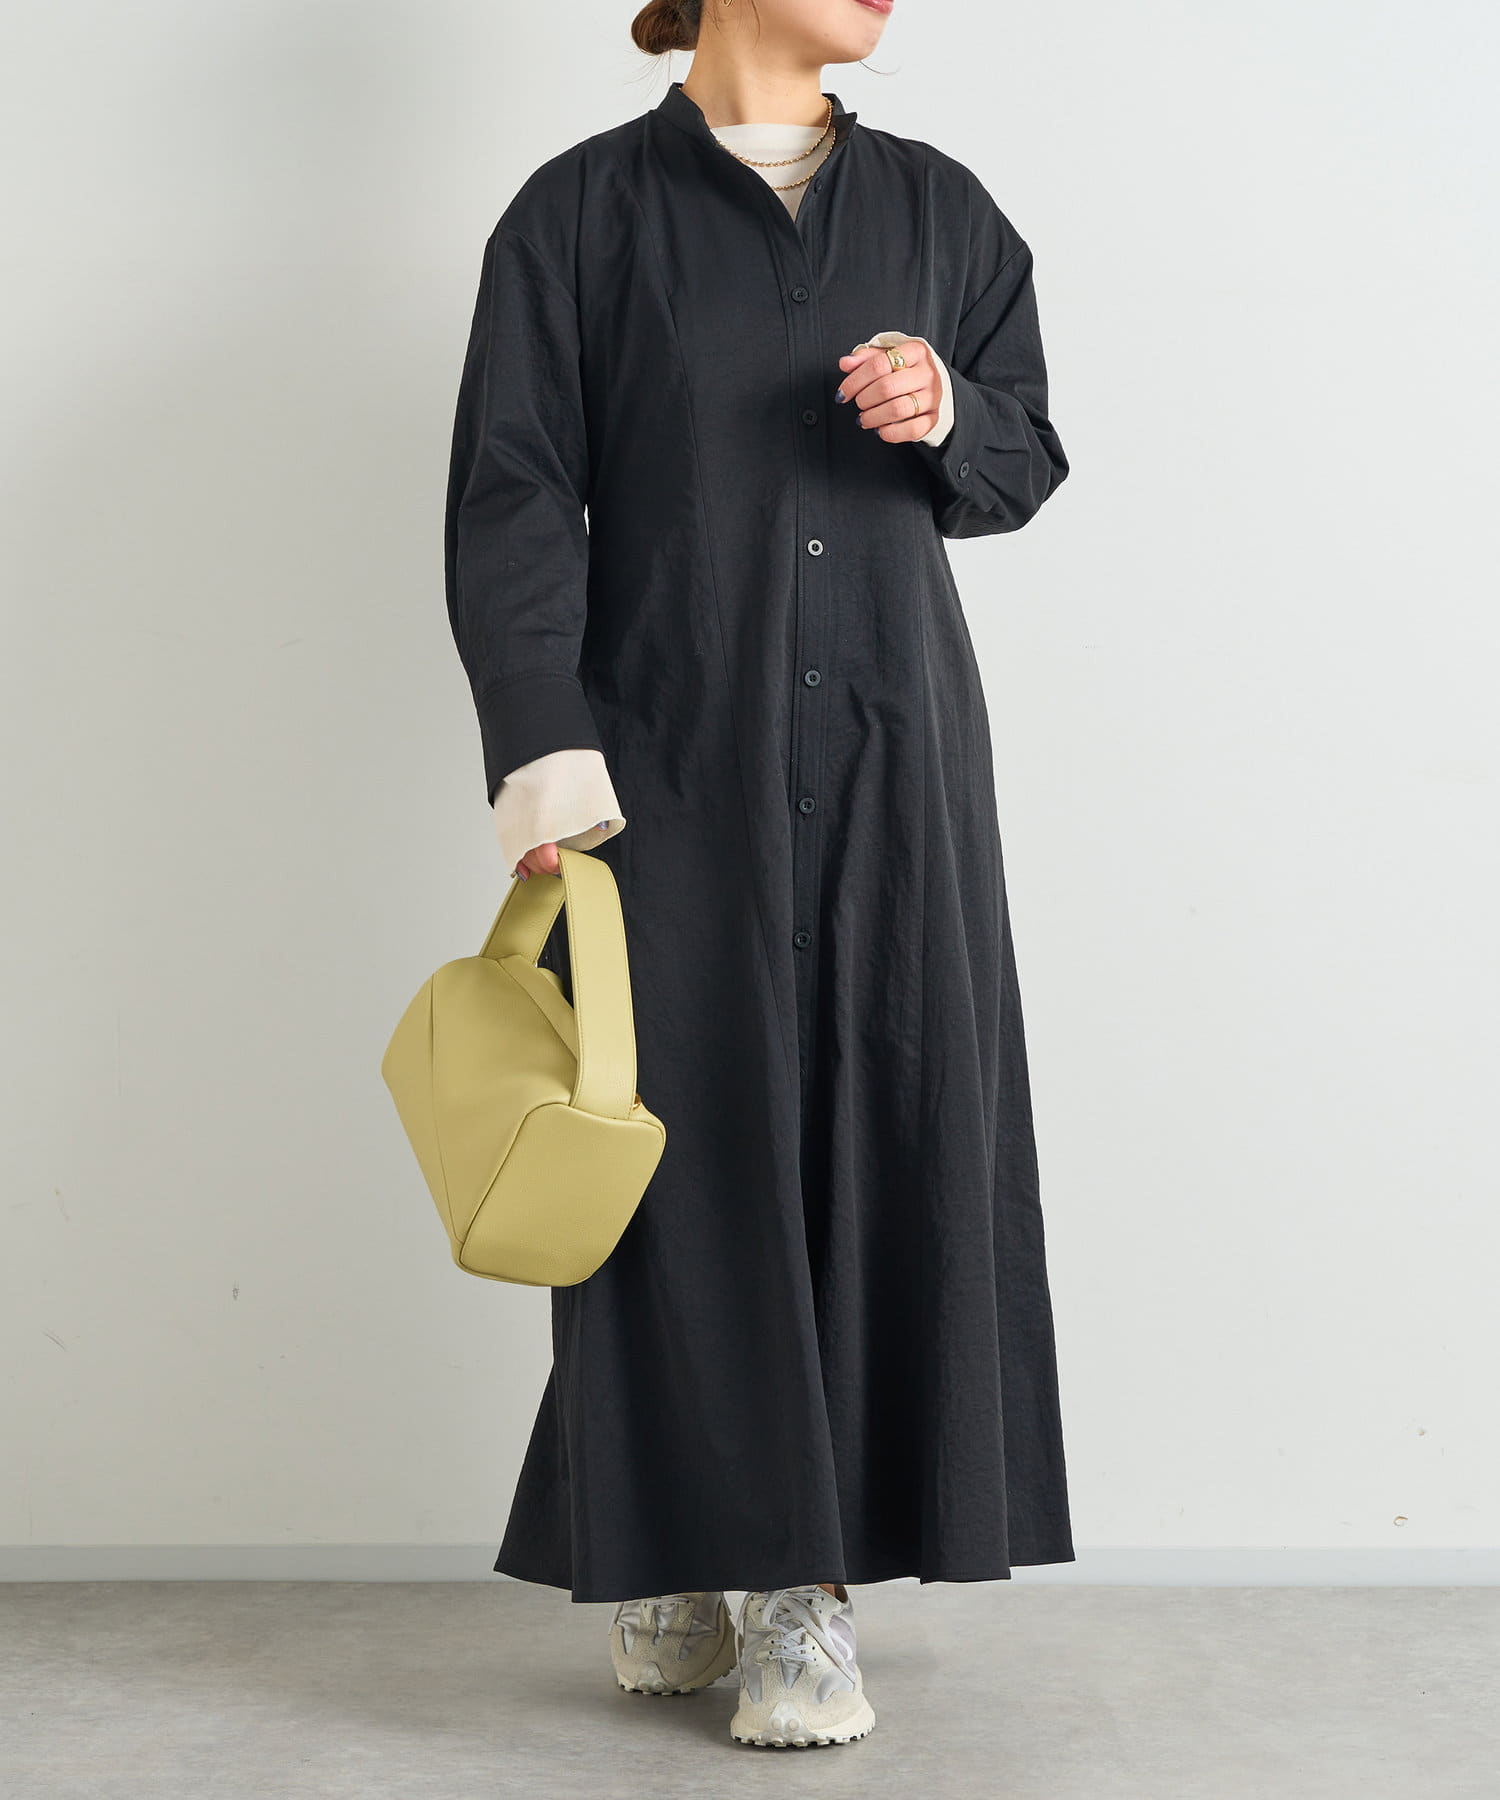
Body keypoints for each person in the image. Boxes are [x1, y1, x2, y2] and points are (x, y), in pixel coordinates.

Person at [442, 0, 1075, 1752]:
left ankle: (801, 1583)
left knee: (877, 1132)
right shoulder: (577, 214)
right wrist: (542, 750)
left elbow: (1023, 462)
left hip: (891, 755)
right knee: (670, 1150)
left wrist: (949, 409)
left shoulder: (943, 210)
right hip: (664, 760)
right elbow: (514, 494)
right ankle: (677, 1540)